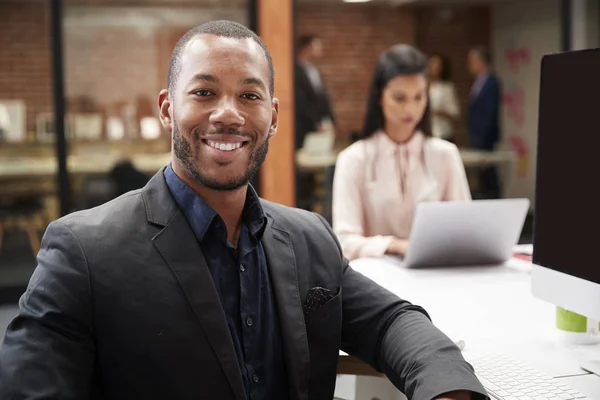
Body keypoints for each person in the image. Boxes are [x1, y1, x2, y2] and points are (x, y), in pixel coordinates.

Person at [0, 22, 486, 400]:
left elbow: (390, 322)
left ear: (272, 117)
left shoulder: (308, 237)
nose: (228, 113)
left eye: (249, 96)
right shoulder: (83, 251)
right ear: (168, 109)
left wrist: (446, 387)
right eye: (204, 92)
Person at [332, 44, 471, 261]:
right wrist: (395, 246)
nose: (411, 109)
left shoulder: (446, 154)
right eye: (399, 98)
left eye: (419, 97)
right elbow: (345, 241)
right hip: (376, 283)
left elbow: (465, 230)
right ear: (380, 96)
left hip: (437, 276)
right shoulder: (353, 159)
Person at [467, 46, 502, 198]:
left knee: (489, 172)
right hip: (476, 133)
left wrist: (482, 135)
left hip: (486, 135)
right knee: (482, 174)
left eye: (472, 61)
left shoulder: (491, 82)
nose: (470, 65)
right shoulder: (478, 82)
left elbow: (489, 112)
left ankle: (496, 201)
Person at [294, 34, 336, 150]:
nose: (320, 49)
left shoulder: (313, 70)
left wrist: (331, 120)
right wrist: (315, 123)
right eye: (316, 46)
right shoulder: (295, 71)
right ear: (306, 48)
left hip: (319, 123)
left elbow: (322, 98)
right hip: (304, 125)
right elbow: (302, 101)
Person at [428, 53, 460, 142]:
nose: (435, 68)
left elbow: (454, 112)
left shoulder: (447, 87)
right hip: (427, 132)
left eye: (438, 66)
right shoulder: (423, 86)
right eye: (432, 64)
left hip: (442, 133)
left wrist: (438, 112)